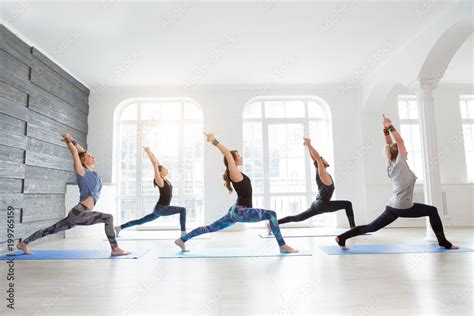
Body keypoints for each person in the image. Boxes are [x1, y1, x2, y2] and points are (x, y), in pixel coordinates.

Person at [335, 115, 458, 250]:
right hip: (403, 206)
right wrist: (390, 125)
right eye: (404, 151)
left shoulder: (390, 163)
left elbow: (388, 145)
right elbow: (399, 141)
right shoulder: (400, 163)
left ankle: (341, 238)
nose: (407, 152)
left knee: (372, 227)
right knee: (432, 211)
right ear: (399, 153)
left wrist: (385, 130)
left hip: (393, 206)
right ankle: (443, 242)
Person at [175, 132, 298, 253]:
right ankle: (282, 246)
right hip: (241, 212)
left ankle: (182, 239)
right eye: (238, 156)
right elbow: (227, 153)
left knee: (210, 228)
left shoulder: (237, 173)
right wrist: (213, 141)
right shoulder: (233, 173)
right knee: (271, 214)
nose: (241, 157)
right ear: (233, 160)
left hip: (236, 211)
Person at [17, 133, 130, 256]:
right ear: (84, 160)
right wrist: (68, 142)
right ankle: (115, 248)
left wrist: (73, 140)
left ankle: (24, 243)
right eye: (90, 156)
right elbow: (76, 154)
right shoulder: (81, 172)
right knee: (108, 218)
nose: (93, 157)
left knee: (49, 230)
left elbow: (82, 152)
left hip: (78, 214)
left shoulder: (93, 173)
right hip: (80, 212)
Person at [275, 137, 355, 229]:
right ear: (321, 164)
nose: (324, 159)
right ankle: (353, 228)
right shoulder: (322, 174)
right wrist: (309, 144)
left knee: (298, 218)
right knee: (347, 204)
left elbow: (315, 158)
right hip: (322, 204)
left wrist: (308, 147)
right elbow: (317, 158)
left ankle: (273, 223)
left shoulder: (320, 173)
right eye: (323, 160)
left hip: (316, 204)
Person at [115, 147, 186, 237]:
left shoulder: (164, 179)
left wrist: (151, 152)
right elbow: (155, 164)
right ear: (160, 172)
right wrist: (148, 153)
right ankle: (183, 233)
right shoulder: (159, 181)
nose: (166, 169)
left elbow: (157, 162)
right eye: (164, 168)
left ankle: (119, 227)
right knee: (183, 210)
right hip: (161, 208)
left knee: (140, 221)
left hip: (160, 209)